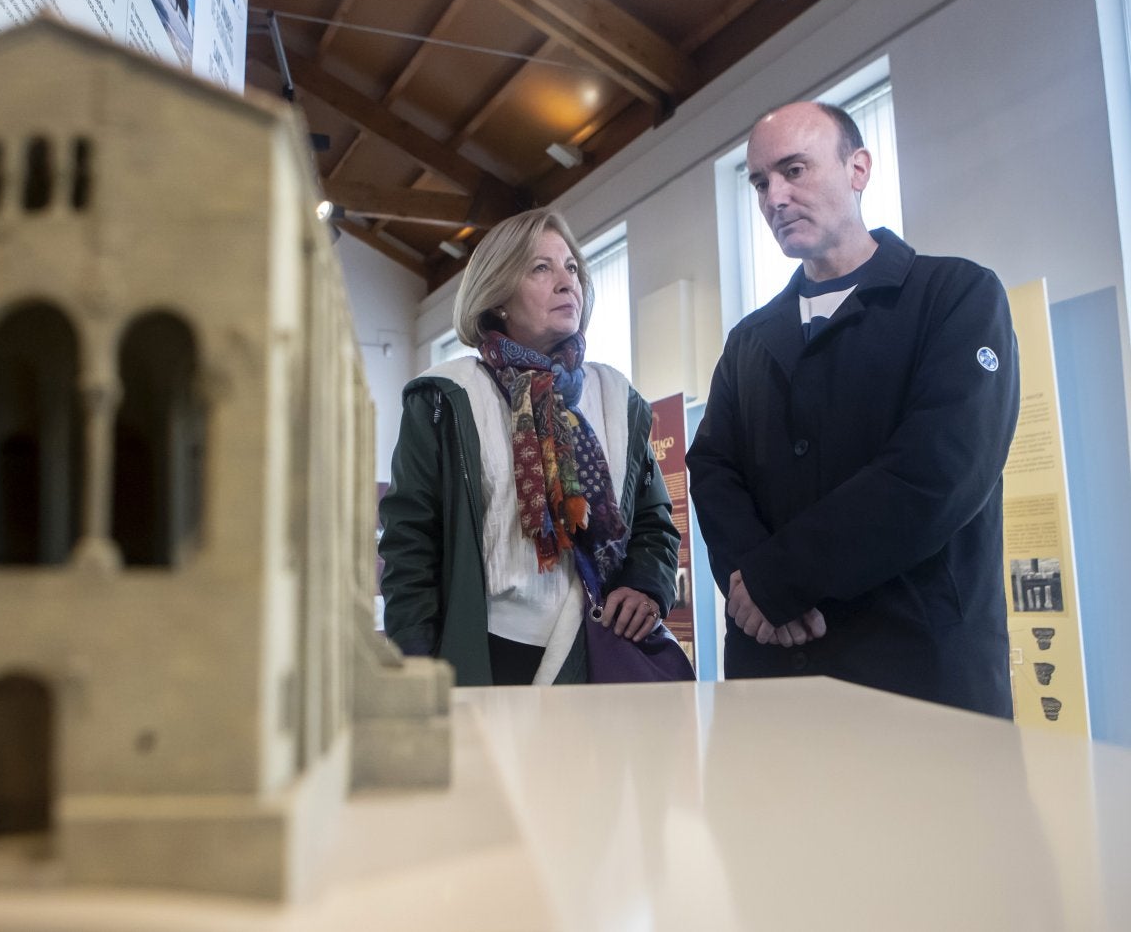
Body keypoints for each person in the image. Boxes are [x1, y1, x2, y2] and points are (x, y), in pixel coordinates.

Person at [685, 101, 1019, 717]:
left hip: (918, 677)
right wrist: (752, 591)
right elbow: (711, 469)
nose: (774, 198)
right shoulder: (749, 341)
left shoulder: (957, 296)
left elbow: (936, 472)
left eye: (794, 170)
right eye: (761, 182)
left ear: (858, 168)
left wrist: (775, 582)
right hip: (775, 678)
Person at [379, 208, 680, 685]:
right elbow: (410, 547)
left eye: (572, 268)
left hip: (601, 650)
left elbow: (654, 523)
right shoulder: (448, 396)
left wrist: (648, 584)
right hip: (489, 660)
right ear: (497, 297)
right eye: (542, 268)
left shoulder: (615, 398)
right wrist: (416, 668)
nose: (567, 282)